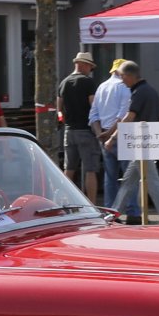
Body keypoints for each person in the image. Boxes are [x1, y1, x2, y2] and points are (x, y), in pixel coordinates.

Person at [112, 60, 159, 225]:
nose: (122, 80)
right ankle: (114, 213)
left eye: (122, 76)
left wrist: (112, 138)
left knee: (151, 181)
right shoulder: (151, 90)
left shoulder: (139, 92)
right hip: (147, 142)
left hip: (142, 144)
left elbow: (130, 116)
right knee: (129, 180)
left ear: (130, 76)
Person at [89, 57, 133, 212]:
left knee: (110, 177)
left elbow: (93, 115)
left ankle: (110, 210)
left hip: (103, 134)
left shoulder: (101, 87)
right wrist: (110, 133)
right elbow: (123, 116)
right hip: (122, 134)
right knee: (129, 176)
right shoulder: (124, 87)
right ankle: (132, 210)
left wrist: (100, 133)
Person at [56, 51, 100, 202]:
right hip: (86, 131)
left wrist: (65, 121)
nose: (90, 70)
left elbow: (59, 110)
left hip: (69, 131)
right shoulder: (88, 82)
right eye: (90, 67)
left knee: (69, 169)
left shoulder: (63, 83)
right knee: (90, 170)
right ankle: (92, 204)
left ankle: (65, 203)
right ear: (84, 65)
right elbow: (94, 107)